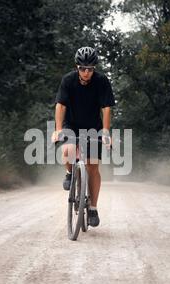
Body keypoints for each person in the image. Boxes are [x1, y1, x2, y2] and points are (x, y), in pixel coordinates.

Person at [51, 46, 115, 227]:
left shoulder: (102, 81)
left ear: (94, 68)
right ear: (76, 67)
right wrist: (57, 129)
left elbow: (106, 108)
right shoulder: (68, 80)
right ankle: (69, 173)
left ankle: (93, 207)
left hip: (93, 127)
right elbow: (60, 106)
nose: (86, 72)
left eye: (90, 69)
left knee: (92, 166)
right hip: (71, 124)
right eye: (82, 68)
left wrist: (105, 130)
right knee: (69, 149)